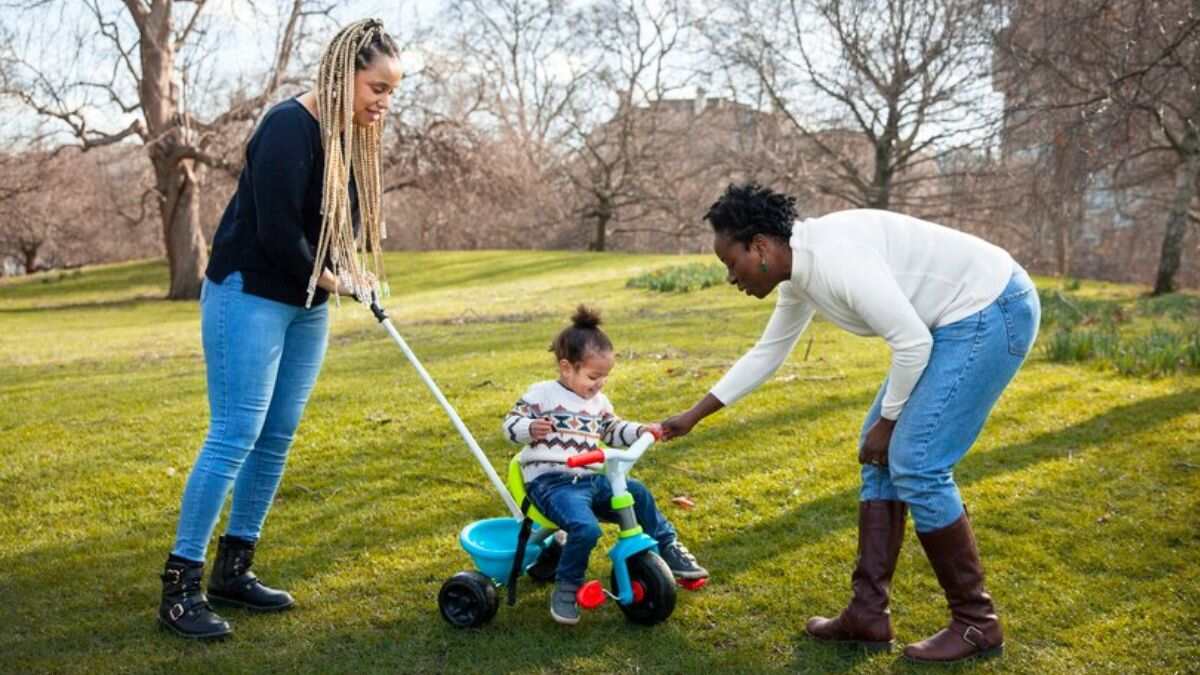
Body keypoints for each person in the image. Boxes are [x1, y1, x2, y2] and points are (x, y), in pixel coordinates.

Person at [661, 183, 1040, 663]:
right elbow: (768, 353)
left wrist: (889, 422)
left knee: (916, 461)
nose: (731, 278)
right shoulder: (798, 272)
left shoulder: (836, 259)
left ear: (760, 247)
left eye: (729, 263)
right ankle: (867, 614)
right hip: (950, 322)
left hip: (992, 307)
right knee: (879, 455)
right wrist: (693, 416)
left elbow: (911, 344)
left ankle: (976, 624)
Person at [157, 19, 404, 640]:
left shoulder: (348, 135)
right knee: (236, 430)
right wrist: (336, 281)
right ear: (343, 74)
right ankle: (179, 588)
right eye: (377, 88)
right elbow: (276, 235)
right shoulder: (288, 127)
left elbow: (330, 228)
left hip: (304, 303)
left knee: (277, 435)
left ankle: (233, 571)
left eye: (392, 92)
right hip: (250, 293)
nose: (384, 103)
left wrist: (352, 270)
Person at [503, 306, 708, 625]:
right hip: (550, 482)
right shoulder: (541, 395)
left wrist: (641, 430)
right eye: (593, 377)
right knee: (585, 529)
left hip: (587, 478)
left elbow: (612, 430)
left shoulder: (599, 404)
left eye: (605, 377)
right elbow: (509, 424)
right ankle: (568, 586)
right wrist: (529, 428)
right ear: (567, 368)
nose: (599, 384)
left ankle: (668, 547)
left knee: (637, 494)